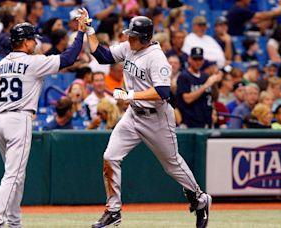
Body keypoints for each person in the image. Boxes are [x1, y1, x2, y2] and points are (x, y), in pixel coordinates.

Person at [82, 12, 212, 228]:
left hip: (156, 118)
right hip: (133, 115)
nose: (128, 39)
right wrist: (89, 29)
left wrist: (129, 95)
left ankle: (200, 199)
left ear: (144, 38)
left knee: (172, 165)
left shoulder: (156, 57)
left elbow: (163, 91)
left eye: (133, 36)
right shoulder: (129, 47)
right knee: (110, 156)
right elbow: (102, 56)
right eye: (129, 35)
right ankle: (113, 210)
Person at [0, 16, 86, 227]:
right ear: (24, 41)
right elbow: (69, 58)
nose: (35, 42)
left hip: (1, 120)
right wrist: (81, 32)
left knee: (15, 176)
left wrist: (1, 117)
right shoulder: (33, 62)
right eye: (32, 39)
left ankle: (14, 222)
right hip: (19, 118)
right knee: (13, 176)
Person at [177, 47, 222, 128]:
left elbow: (214, 98)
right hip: (190, 123)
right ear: (189, 59)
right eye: (195, 59)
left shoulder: (205, 76)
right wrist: (206, 85)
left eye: (200, 59)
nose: (198, 62)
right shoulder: (184, 76)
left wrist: (214, 83)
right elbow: (187, 99)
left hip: (206, 121)